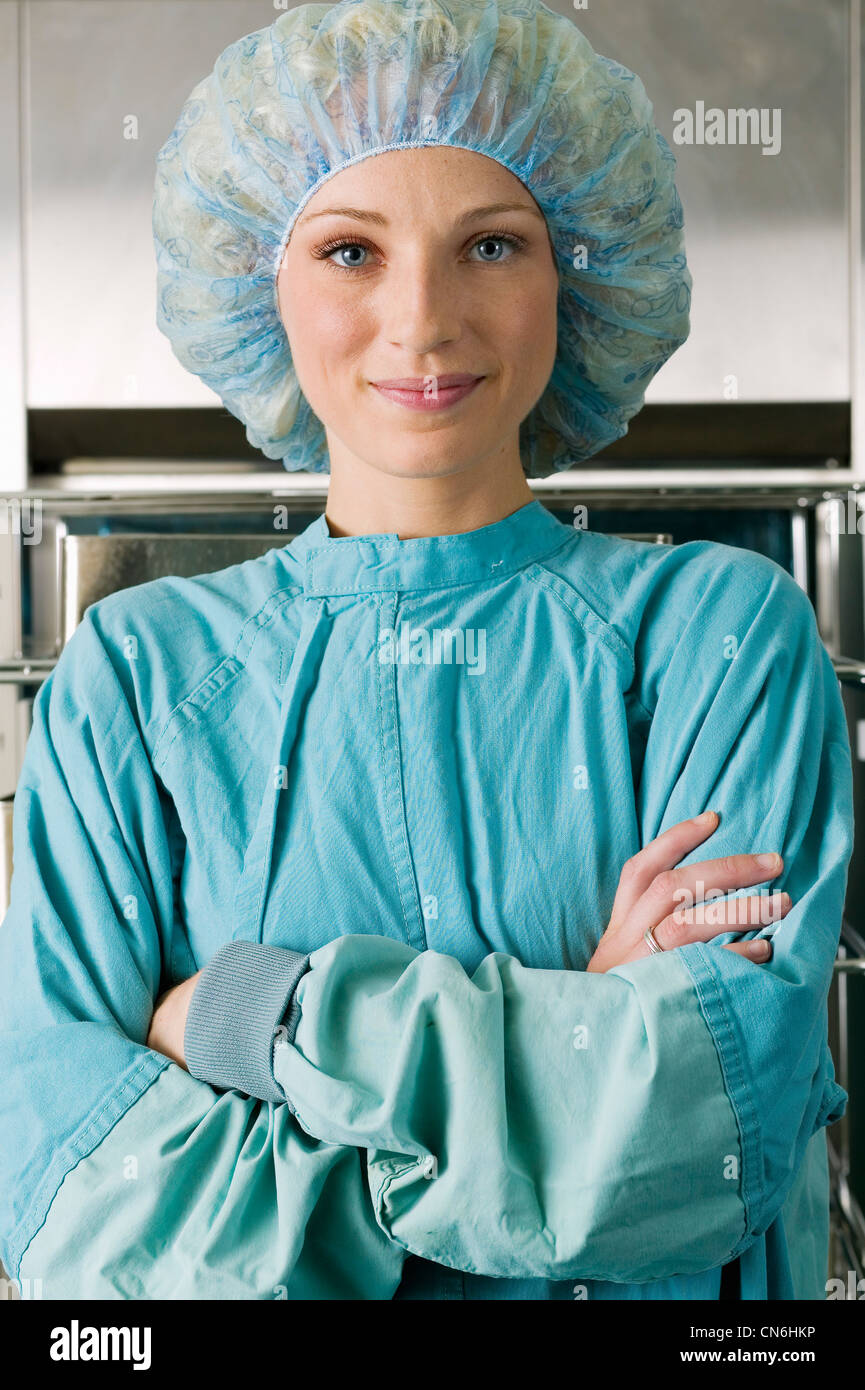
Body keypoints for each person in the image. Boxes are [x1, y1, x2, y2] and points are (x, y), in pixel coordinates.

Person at [0, 0, 853, 1300]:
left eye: (491, 244)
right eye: (349, 250)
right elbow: (69, 1211)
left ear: (571, 273)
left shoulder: (717, 642)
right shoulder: (133, 683)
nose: (422, 316)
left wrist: (252, 1016)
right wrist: (572, 1052)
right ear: (259, 278)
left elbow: (702, 1143)